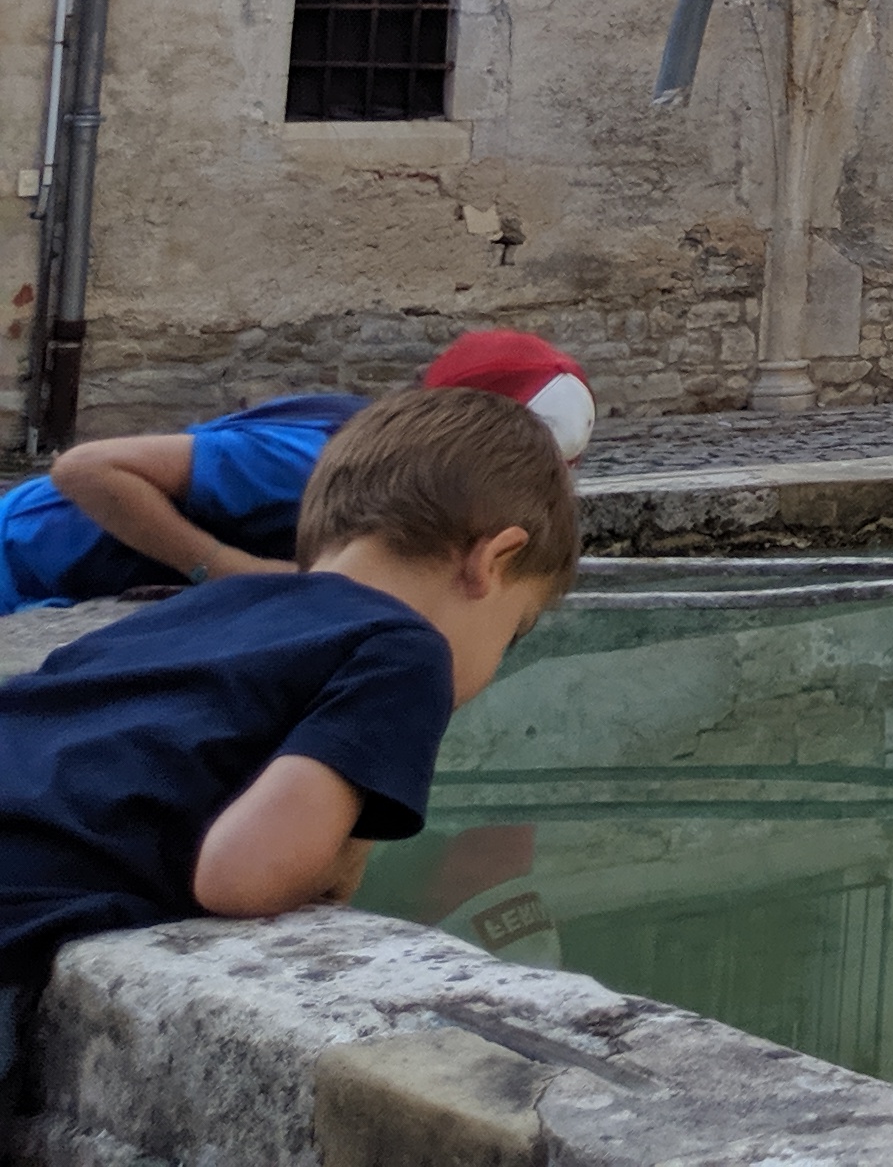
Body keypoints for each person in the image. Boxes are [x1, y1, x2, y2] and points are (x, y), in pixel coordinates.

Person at [0, 385, 578, 1072]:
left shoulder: (211, 603)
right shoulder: (405, 650)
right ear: (491, 561)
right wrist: (346, 846)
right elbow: (240, 877)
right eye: (515, 629)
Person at [0, 331, 595, 610]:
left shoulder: (402, 468)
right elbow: (86, 469)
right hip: (24, 560)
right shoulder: (313, 461)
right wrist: (225, 567)